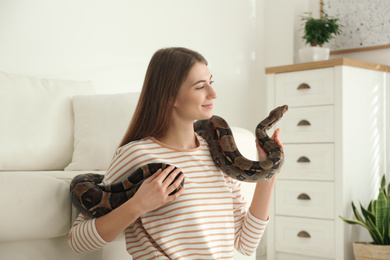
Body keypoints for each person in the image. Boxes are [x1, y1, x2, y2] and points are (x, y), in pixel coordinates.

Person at [68, 47, 283, 259]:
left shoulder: (218, 156)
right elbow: (77, 240)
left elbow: (246, 244)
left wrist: (267, 175)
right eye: (200, 87)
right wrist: (138, 204)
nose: (213, 94)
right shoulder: (136, 154)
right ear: (171, 97)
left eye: (211, 82)